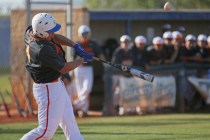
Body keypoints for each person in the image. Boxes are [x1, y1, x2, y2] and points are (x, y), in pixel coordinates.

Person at [21, 13, 93, 140]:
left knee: (71, 126)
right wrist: (82, 60)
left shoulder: (32, 32)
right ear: (42, 33)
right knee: (45, 132)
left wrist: (75, 45)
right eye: (51, 31)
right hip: (48, 89)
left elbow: (55, 37)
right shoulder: (42, 50)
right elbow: (64, 68)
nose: (53, 33)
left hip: (56, 85)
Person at [73, 25, 105, 117]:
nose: (85, 35)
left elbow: (100, 54)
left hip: (88, 68)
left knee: (87, 89)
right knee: (80, 90)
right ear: (80, 34)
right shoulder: (77, 44)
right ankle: (84, 110)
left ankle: (74, 105)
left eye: (86, 33)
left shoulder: (93, 43)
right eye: (83, 33)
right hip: (78, 68)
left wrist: (105, 64)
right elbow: (73, 58)